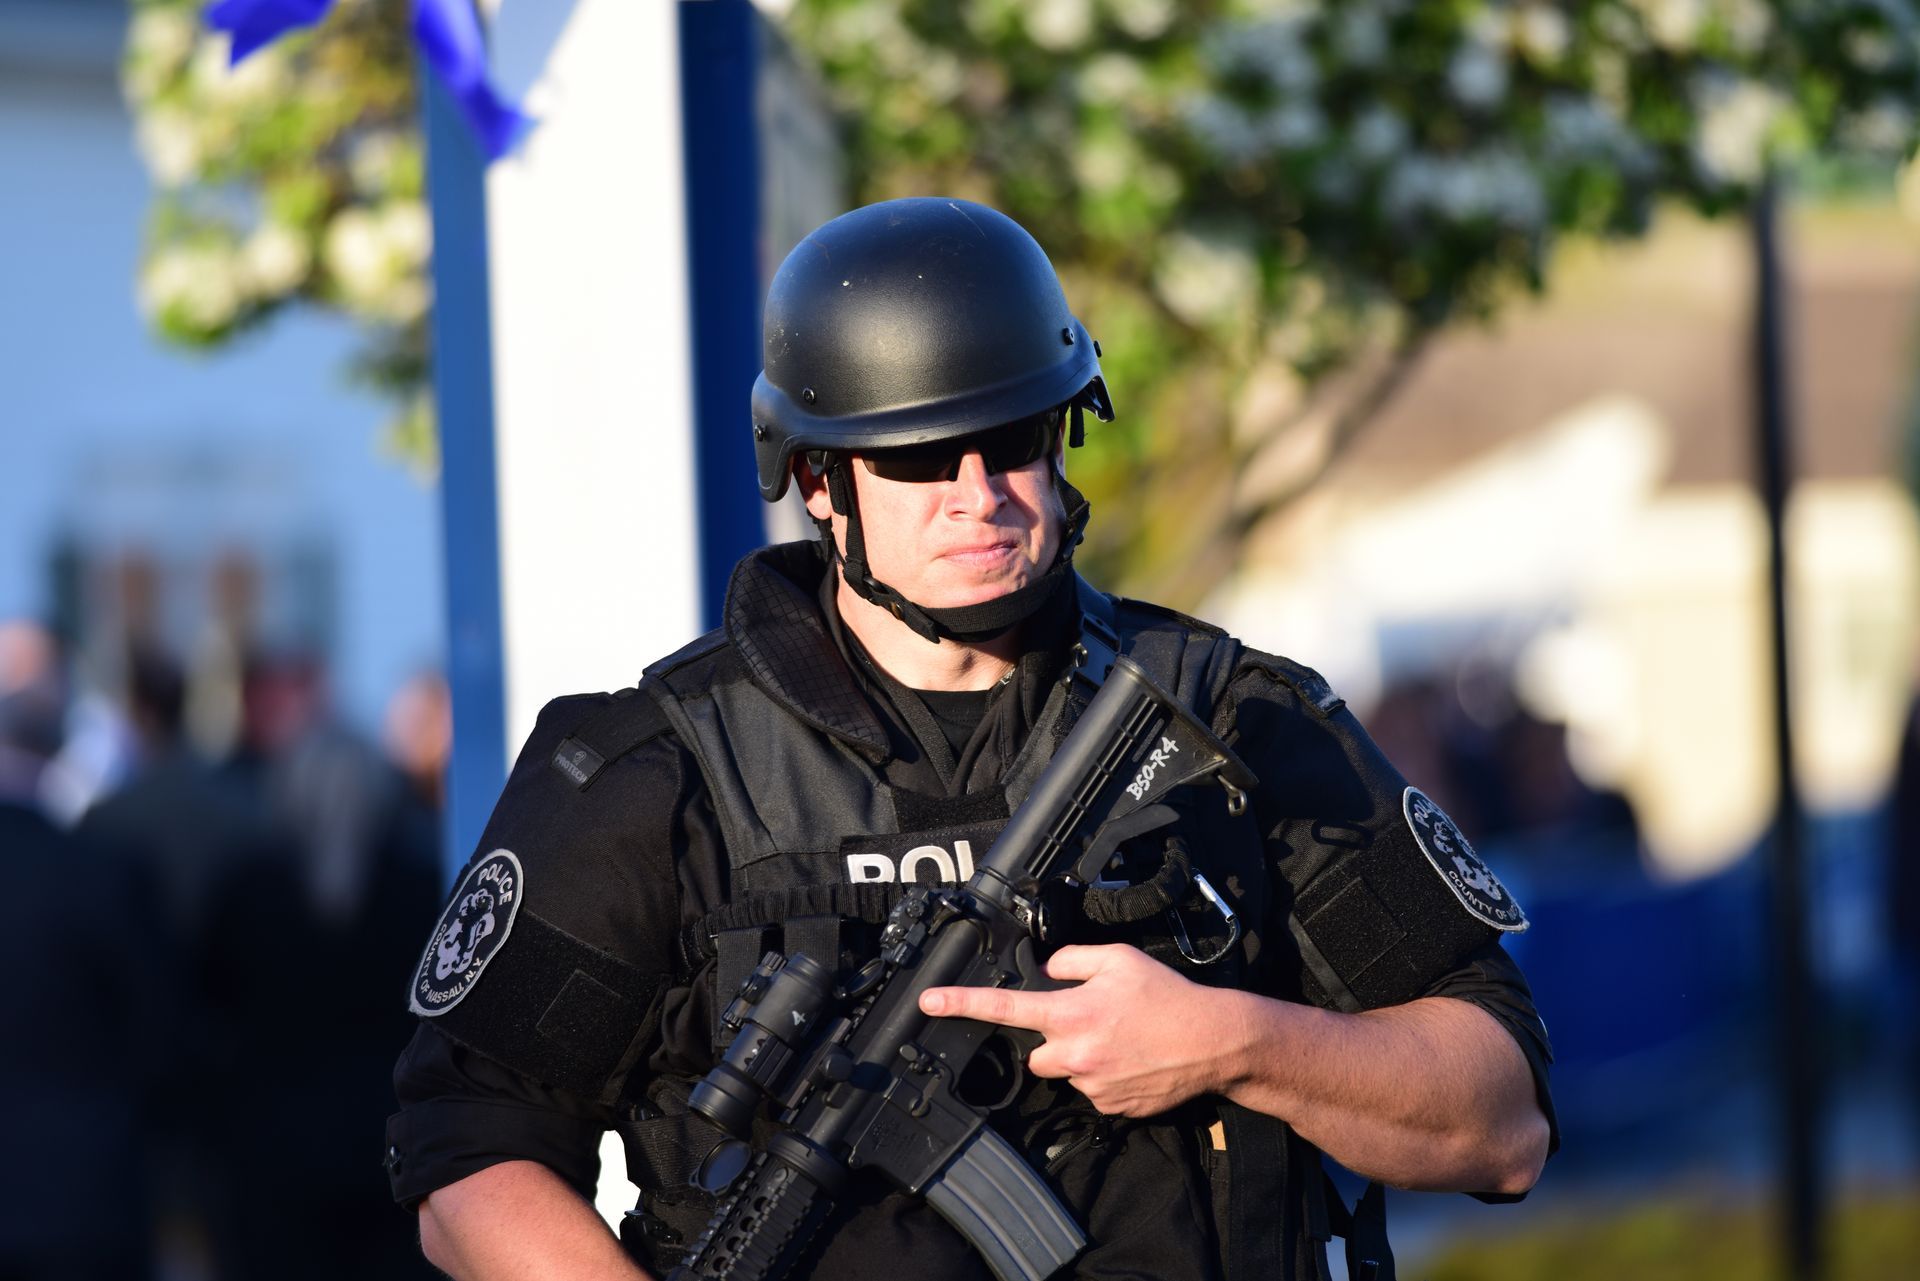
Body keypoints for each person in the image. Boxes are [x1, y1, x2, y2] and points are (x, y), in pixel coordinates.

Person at [385, 198, 1555, 1281]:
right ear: (819, 482)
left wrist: (1238, 1046)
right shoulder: (652, 775)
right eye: (915, 457)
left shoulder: (1231, 716)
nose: (978, 491)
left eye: (1014, 438)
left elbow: (1501, 1120)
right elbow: (465, 1157)